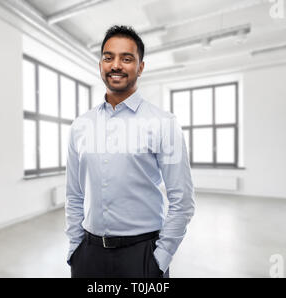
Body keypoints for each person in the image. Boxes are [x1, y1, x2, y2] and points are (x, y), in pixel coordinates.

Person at [65, 25, 195, 278]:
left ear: (140, 67)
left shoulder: (163, 123)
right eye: (108, 57)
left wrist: (160, 259)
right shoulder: (81, 126)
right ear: (100, 64)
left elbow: (182, 201)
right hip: (89, 256)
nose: (116, 65)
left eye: (127, 59)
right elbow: (74, 195)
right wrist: (74, 248)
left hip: (143, 257)